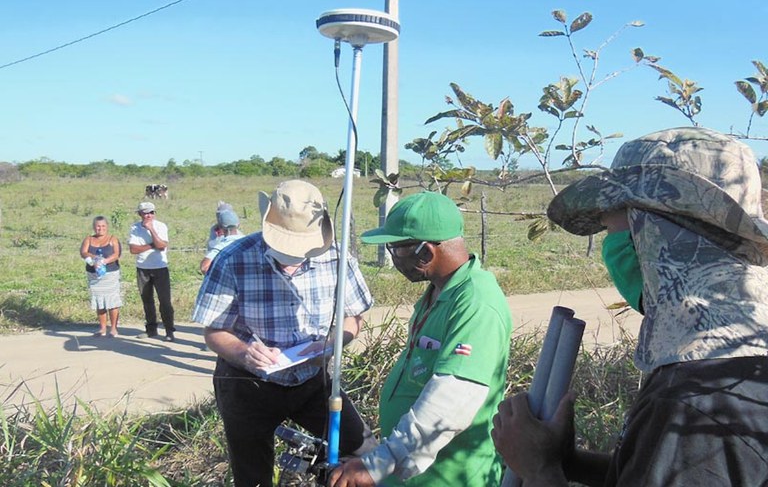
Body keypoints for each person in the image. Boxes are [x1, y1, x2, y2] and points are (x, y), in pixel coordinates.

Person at [491, 127, 768, 487]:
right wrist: (568, 462)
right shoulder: (737, 362)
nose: (612, 247)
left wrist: (540, 469)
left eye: (613, 228)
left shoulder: (691, 397)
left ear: (656, 237)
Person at [192, 180, 377, 487]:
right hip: (247, 385)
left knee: (365, 451)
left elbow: (354, 317)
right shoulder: (233, 259)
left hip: (314, 380)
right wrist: (244, 352)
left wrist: (332, 344)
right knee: (252, 476)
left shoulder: (337, 257)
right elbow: (214, 331)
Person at [330, 191, 514, 486]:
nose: (393, 259)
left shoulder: (476, 302)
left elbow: (453, 396)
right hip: (415, 473)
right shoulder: (438, 293)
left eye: (396, 249)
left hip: (449, 476)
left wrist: (380, 462)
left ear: (425, 252)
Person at [128, 201, 176, 342]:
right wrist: (151, 245)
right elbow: (133, 249)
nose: (148, 215)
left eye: (151, 212)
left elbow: (162, 246)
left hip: (160, 267)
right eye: (145, 213)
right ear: (140, 214)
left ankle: (169, 330)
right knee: (147, 300)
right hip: (143, 267)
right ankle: (151, 329)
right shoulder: (135, 228)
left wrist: (151, 231)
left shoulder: (161, 226)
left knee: (165, 301)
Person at [80, 215, 122, 337]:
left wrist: (104, 261)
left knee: (112, 300)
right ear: (94, 227)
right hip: (94, 275)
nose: (100, 228)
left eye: (103, 226)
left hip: (110, 273)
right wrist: (95, 259)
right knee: (99, 301)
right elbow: (83, 252)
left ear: (107, 227)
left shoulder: (112, 239)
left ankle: (113, 328)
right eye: (98, 226)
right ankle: (102, 328)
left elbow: (116, 254)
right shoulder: (89, 239)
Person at [200, 203, 245, 274]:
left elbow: (204, 268)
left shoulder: (221, 246)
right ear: (238, 224)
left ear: (221, 227)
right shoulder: (249, 242)